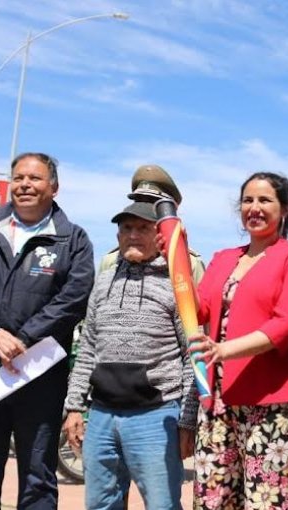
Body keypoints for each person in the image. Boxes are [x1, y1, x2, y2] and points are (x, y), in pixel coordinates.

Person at [0, 152, 95, 509]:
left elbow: (73, 298)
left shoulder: (72, 240)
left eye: (35, 178)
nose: (25, 185)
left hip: (41, 377)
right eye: (18, 178)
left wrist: (25, 338)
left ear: (54, 187)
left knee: (37, 478)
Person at [188, 172, 288, 509]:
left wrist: (224, 350)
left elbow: (287, 322)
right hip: (218, 401)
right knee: (213, 499)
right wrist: (178, 258)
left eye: (265, 200)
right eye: (248, 200)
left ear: (285, 209)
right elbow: (198, 309)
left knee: (267, 500)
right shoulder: (223, 259)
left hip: (271, 402)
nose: (254, 208)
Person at [63, 201, 198, 510]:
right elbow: (87, 351)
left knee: (162, 505)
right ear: (118, 234)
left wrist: (187, 421)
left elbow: (192, 355)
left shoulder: (177, 286)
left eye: (142, 228)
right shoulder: (103, 284)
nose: (133, 235)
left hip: (156, 416)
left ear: (158, 235)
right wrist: (74, 408)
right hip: (101, 415)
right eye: (126, 228)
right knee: (100, 503)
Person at [99, 164, 205, 282]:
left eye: (155, 205)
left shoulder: (189, 263)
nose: (144, 209)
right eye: (139, 201)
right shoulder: (111, 261)